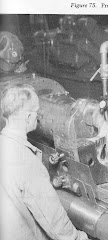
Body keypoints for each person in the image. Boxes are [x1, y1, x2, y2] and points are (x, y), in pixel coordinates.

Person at [0, 84, 88, 240]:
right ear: (27, 117)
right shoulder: (26, 161)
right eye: (36, 112)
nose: (38, 117)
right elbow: (52, 219)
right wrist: (78, 237)